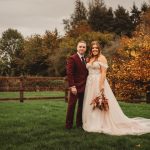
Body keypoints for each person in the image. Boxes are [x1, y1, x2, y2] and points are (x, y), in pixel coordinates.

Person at [82, 41, 150, 135]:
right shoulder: (90, 58)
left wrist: (101, 85)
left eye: (96, 48)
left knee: (100, 101)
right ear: (91, 49)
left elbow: (103, 73)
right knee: (91, 102)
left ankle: (100, 123)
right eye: (93, 48)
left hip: (98, 81)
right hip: (90, 83)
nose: (94, 49)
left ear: (99, 49)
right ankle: (91, 121)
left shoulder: (102, 58)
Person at [66, 41, 88, 129]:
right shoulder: (72, 58)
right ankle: (68, 125)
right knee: (71, 106)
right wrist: (72, 86)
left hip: (84, 86)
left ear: (85, 49)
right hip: (75, 86)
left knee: (81, 106)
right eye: (80, 46)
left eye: (83, 47)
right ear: (77, 48)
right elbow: (69, 73)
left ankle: (79, 124)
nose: (82, 48)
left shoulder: (86, 59)